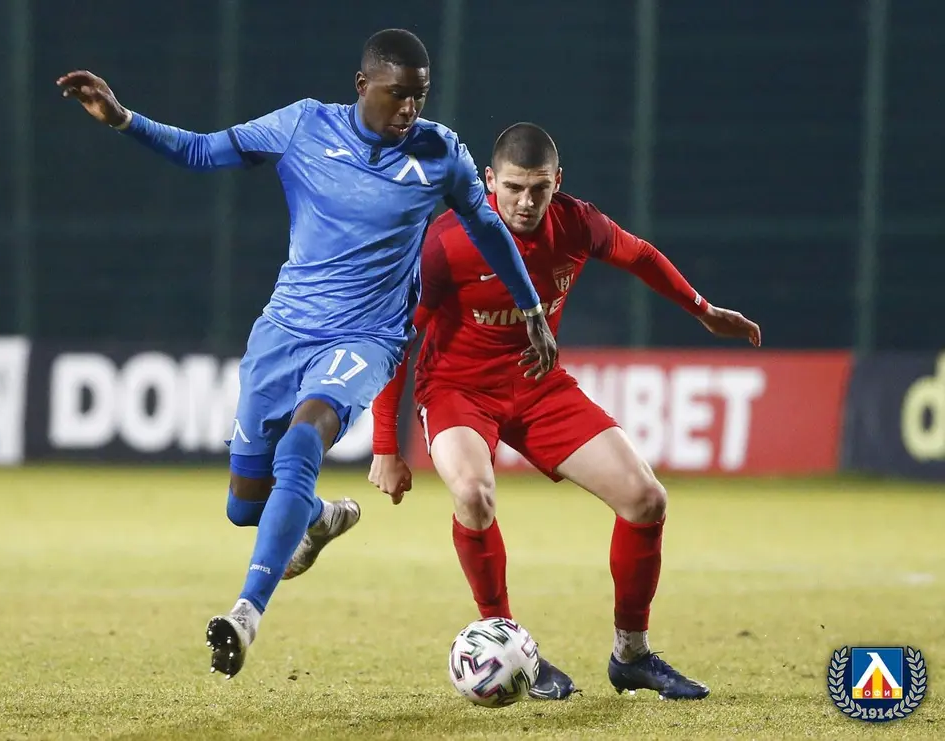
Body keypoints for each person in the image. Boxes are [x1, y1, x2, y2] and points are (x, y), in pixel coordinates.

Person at [57, 30, 559, 680]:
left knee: (302, 443)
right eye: (397, 94)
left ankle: (246, 613)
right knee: (244, 504)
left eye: (420, 95)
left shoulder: (440, 153)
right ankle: (318, 518)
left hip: (368, 338)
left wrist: (531, 309)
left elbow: (486, 225)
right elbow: (205, 151)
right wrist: (124, 119)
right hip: (283, 333)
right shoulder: (302, 126)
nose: (410, 108)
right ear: (362, 86)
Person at [368, 122, 761, 700]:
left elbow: (639, 255)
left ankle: (632, 655)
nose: (526, 202)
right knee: (473, 495)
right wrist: (385, 444)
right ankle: (508, 641)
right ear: (488, 181)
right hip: (456, 390)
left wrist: (702, 310)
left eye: (539, 189)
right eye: (513, 188)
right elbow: (395, 338)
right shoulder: (447, 242)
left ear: (558, 183)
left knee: (646, 498)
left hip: (539, 386)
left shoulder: (576, 224)